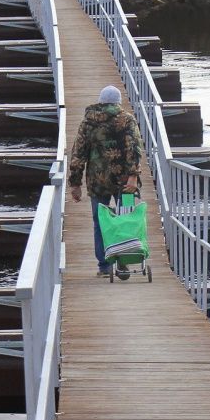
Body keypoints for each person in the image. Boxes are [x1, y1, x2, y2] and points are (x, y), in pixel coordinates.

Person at [68, 85, 143, 279]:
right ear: (118, 102)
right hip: (124, 179)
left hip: (97, 180)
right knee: (124, 219)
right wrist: (134, 176)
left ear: (101, 101)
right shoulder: (127, 119)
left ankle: (104, 266)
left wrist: (75, 183)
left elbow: (79, 153)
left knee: (100, 222)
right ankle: (123, 262)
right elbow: (133, 149)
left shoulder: (88, 121)